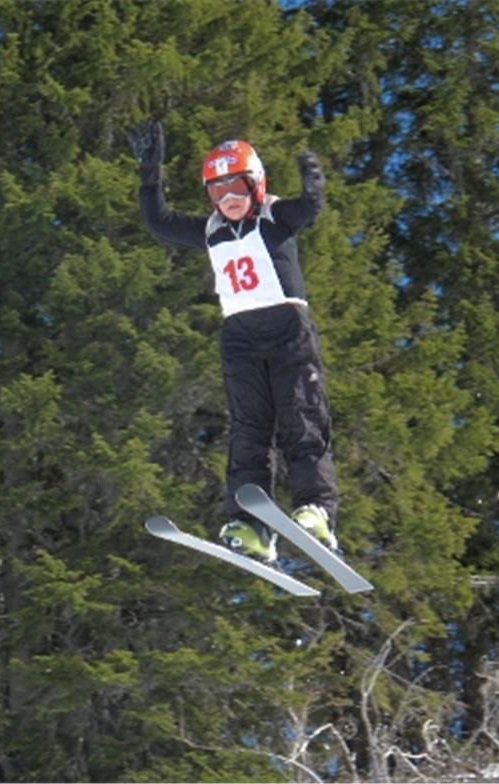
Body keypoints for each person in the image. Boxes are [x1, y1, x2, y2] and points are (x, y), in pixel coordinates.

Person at [129, 120, 338, 562]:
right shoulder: (210, 231)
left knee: (301, 417)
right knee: (249, 431)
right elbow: (157, 222)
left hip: (287, 330)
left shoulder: (274, 216)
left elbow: (307, 212)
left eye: (237, 189)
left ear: (257, 184)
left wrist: (314, 188)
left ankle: (315, 509)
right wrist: (151, 175)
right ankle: (250, 525)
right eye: (217, 193)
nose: (228, 201)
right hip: (240, 337)